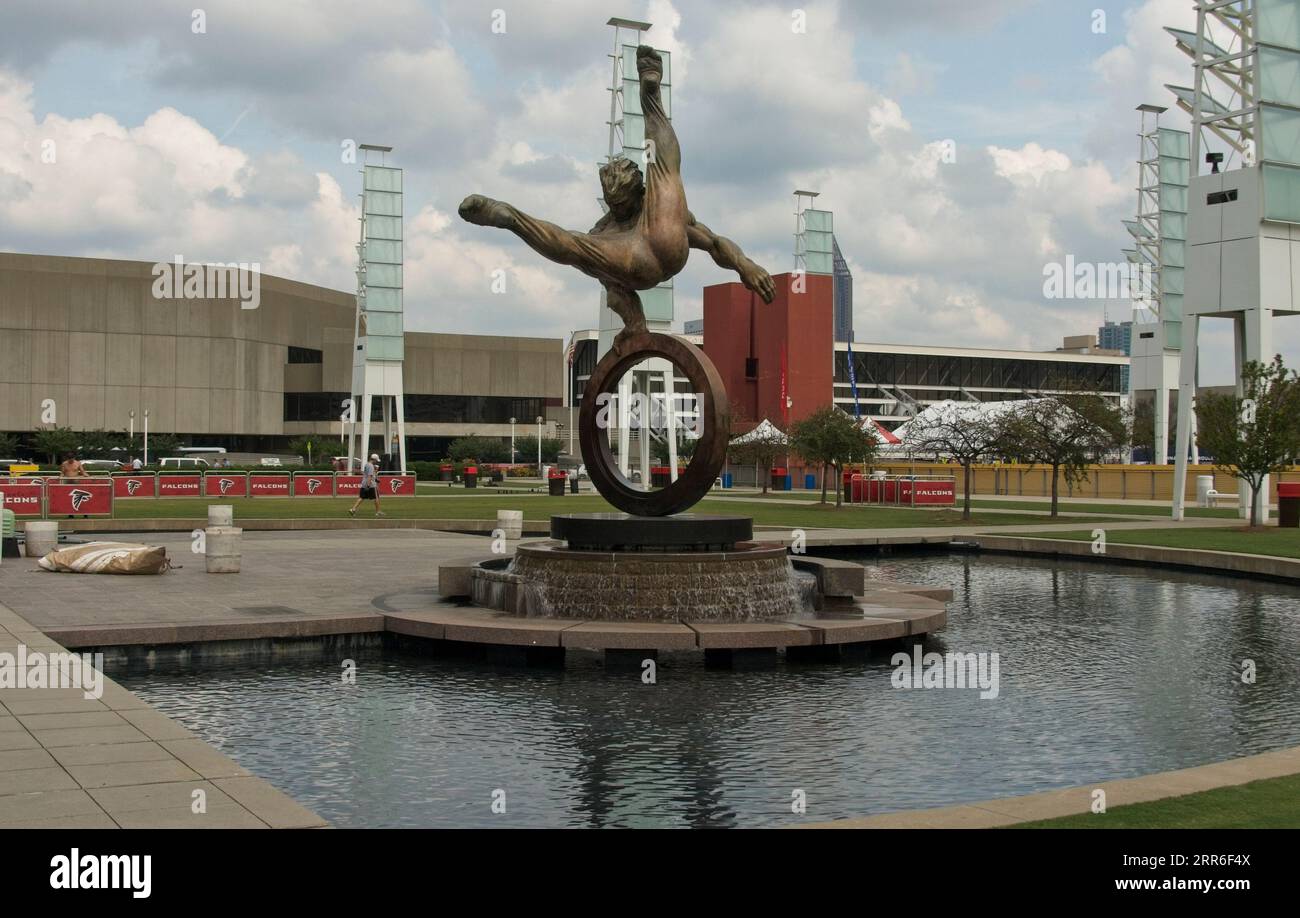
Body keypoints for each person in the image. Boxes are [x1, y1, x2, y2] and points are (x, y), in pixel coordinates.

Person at [458, 45, 774, 346]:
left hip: (633, 261)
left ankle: (513, 219)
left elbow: (614, 292)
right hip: (661, 245)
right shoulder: (638, 213)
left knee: (575, 245)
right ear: (635, 191)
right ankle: (652, 99)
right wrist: (745, 266)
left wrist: (635, 323)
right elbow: (715, 243)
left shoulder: (602, 231)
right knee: (662, 165)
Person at [349, 453, 384, 518]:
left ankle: (353, 509)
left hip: (364, 483)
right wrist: (368, 485)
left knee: (361, 497)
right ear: (373, 460)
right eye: (376, 460)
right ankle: (378, 512)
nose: (376, 462)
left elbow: (368, 474)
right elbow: (370, 476)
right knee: (376, 498)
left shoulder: (367, 464)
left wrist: (375, 479)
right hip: (370, 485)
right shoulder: (371, 466)